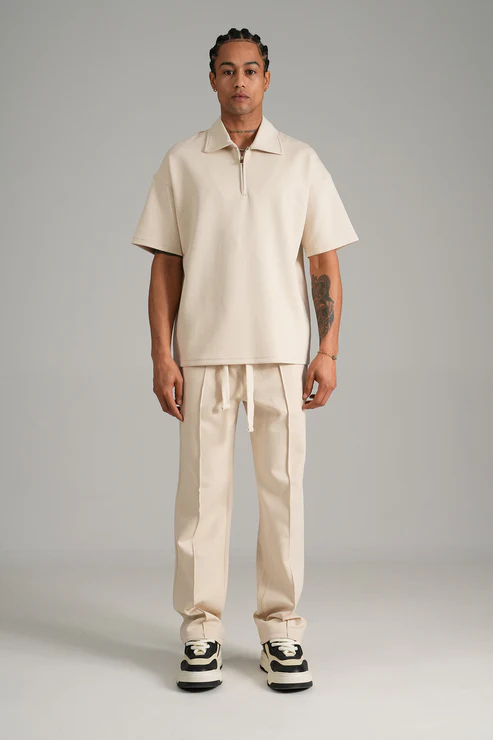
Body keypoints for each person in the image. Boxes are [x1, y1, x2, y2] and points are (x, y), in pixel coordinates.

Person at [130, 27, 359, 693]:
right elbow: (165, 266)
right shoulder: (183, 161)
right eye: (227, 70)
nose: (239, 81)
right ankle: (200, 630)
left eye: (250, 70)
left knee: (283, 494)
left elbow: (323, 261)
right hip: (203, 355)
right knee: (201, 499)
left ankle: (281, 629)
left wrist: (327, 349)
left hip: (282, 356)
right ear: (211, 80)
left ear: (266, 79)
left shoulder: (301, 161)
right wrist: (162, 355)